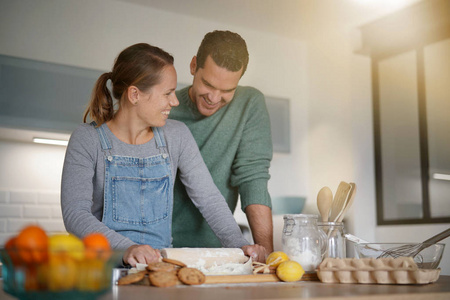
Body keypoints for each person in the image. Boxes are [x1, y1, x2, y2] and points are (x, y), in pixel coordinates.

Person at [61, 43, 266, 266]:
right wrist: (127, 249)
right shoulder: (87, 139)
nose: (175, 101)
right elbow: (75, 213)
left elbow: (209, 199)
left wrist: (238, 244)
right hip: (102, 270)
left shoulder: (176, 135)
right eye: (167, 93)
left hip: (160, 267)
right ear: (135, 94)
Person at [169, 30, 274, 256]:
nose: (214, 99)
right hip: (161, 250)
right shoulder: (164, 109)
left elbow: (252, 177)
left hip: (219, 251)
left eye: (227, 91)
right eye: (208, 84)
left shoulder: (249, 104)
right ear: (193, 65)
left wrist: (267, 255)